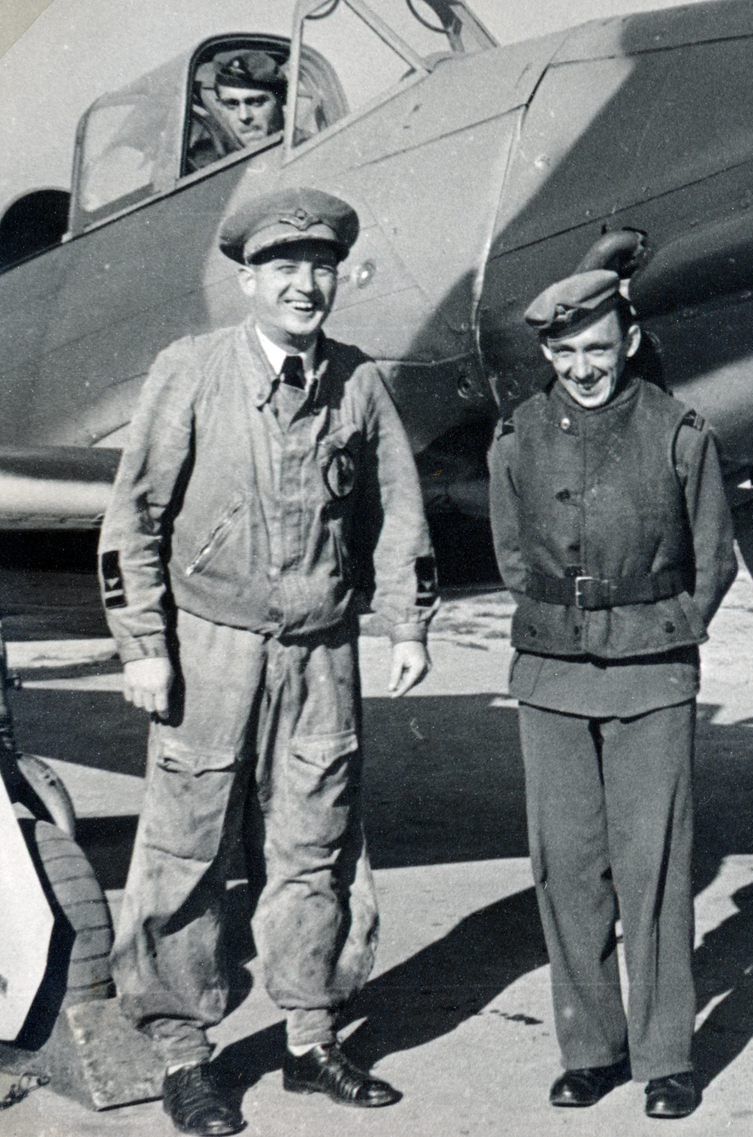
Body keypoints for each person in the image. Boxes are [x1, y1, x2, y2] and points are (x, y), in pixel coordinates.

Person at [99, 187, 437, 1136]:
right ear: (248, 280)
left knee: (316, 845)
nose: (305, 285)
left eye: (320, 267)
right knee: (186, 850)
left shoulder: (358, 382)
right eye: (284, 267)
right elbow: (133, 520)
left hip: (320, 653)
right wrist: (146, 649)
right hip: (209, 649)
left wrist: (406, 625)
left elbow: (397, 516)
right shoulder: (192, 371)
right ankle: (184, 1056)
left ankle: (311, 1034)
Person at [488, 269, 736, 1121]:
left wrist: (661, 627)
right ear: (548, 351)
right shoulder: (518, 435)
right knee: (566, 868)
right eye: (566, 351)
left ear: (628, 341)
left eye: (598, 348)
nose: (584, 367)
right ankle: (591, 1049)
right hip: (552, 671)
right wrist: (570, 620)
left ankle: (665, 1055)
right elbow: (513, 559)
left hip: (652, 669)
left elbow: (714, 558)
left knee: (655, 865)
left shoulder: (679, 431)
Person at [188, 50, 286, 172]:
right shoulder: (217, 167)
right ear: (220, 108)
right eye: (231, 105)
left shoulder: (309, 150)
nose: (244, 116)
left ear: (281, 101)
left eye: (256, 102)